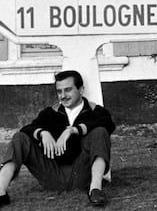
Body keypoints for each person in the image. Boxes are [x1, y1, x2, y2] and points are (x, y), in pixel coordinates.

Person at [0, 70, 116, 208]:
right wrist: (42, 133)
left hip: (81, 173)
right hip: (52, 174)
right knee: (19, 138)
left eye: (68, 90)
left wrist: (74, 130)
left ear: (81, 90)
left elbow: (108, 124)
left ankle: (95, 190)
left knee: (100, 132)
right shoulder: (51, 113)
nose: (63, 96)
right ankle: (1, 191)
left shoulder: (95, 111)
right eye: (59, 91)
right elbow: (27, 129)